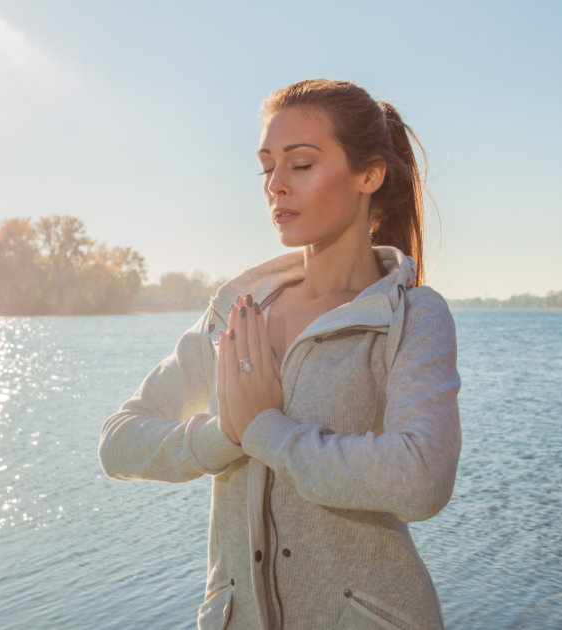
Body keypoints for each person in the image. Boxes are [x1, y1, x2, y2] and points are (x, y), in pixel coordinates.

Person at [99, 79, 462, 630]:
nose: (276, 185)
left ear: (369, 175)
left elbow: (422, 477)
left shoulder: (411, 316)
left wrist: (268, 430)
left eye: (301, 164)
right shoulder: (237, 311)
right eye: (267, 166)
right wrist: (227, 434)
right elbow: (118, 444)